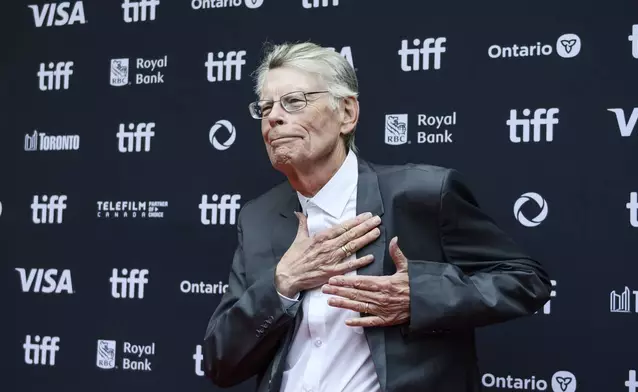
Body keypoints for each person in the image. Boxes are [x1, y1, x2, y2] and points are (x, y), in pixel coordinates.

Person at [202, 41, 552, 392]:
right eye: (265, 107)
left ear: (347, 113)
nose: (274, 117)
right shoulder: (257, 218)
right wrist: (283, 284)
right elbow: (221, 361)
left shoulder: (423, 193)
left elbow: (525, 281)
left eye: (294, 101)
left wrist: (419, 296)